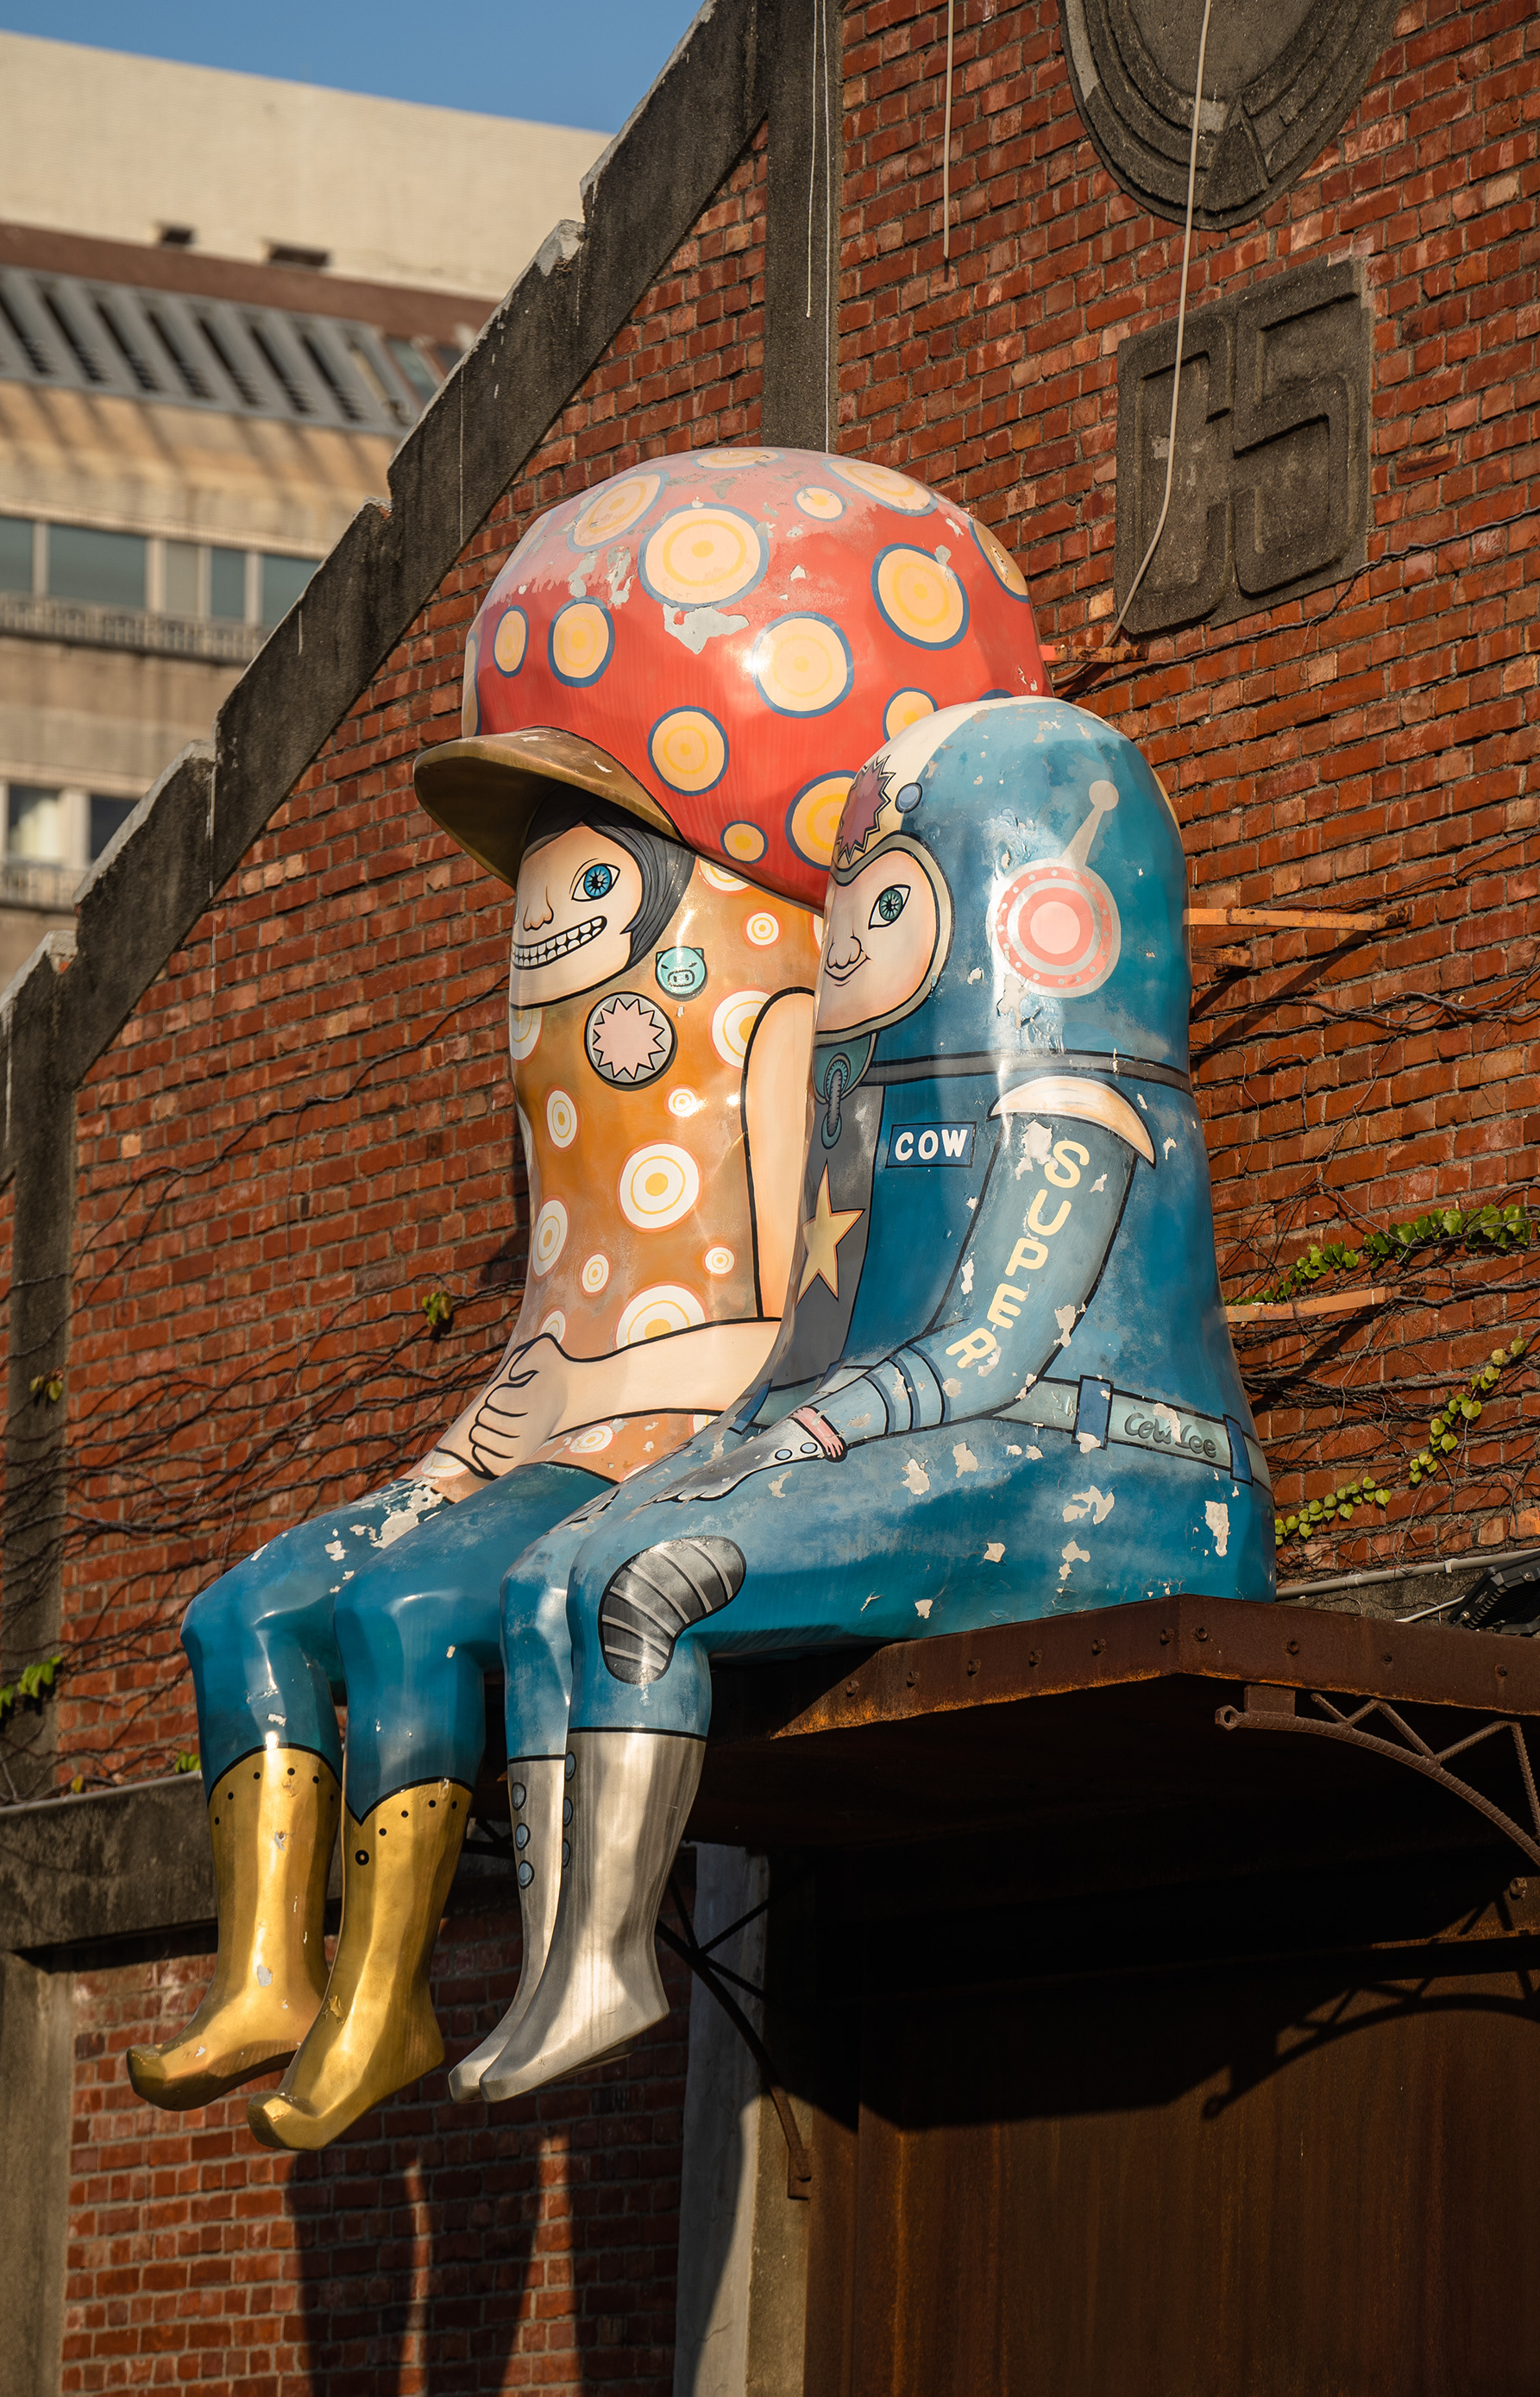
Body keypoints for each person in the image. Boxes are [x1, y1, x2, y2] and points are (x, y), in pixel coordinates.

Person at [127, 444, 1050, 2148]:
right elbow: (552, 1314)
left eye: (599, 877)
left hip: (669, 1428)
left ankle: (395, 1993)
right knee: (241, 1612)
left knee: (412, 1615)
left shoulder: (790, 1010)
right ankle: (266, 1969)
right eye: (544, 883)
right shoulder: (573, 1068)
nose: (548, 930)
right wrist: (445, 1470)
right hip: (550, 1409)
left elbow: (794, 1292)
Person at [481, 695, 1276, 2101]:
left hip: (1088, 1465)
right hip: (909, 1431)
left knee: (650, 1580)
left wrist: (799, 1439)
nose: (847, 940)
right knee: (549, 1574)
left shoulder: (1071, 1103)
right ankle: (560, 1961)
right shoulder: (863, 1107)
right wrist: (750, 1440)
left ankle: (606, 1960)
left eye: (892, 901)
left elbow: (997, 1350)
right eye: (849, 904)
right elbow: (811, 1347)